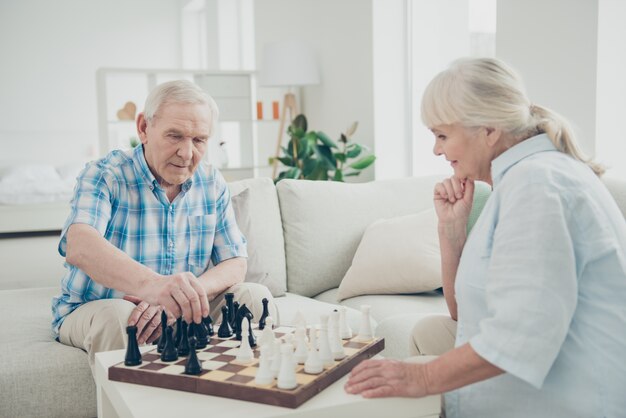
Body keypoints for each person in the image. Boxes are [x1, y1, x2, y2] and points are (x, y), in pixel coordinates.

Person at [345, 57, 626, 417]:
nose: (436, 150)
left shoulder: (537, 186)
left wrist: (423, 377)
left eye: (442, 135)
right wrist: (451, 233)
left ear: (489, 130)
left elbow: (520, 336)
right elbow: (468, 314)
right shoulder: (518, 182)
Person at [52, 80, 277, 367]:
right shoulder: (105, 174)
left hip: (179, 313)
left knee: (255, 297)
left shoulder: (211, 182)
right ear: (144, 128)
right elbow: (80, 245)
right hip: (100, 307)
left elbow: (236, 262)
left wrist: (182, 296)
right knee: (120, 319)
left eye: (199, 140)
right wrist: (155, 287)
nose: (187, 153)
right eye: (175, 136)